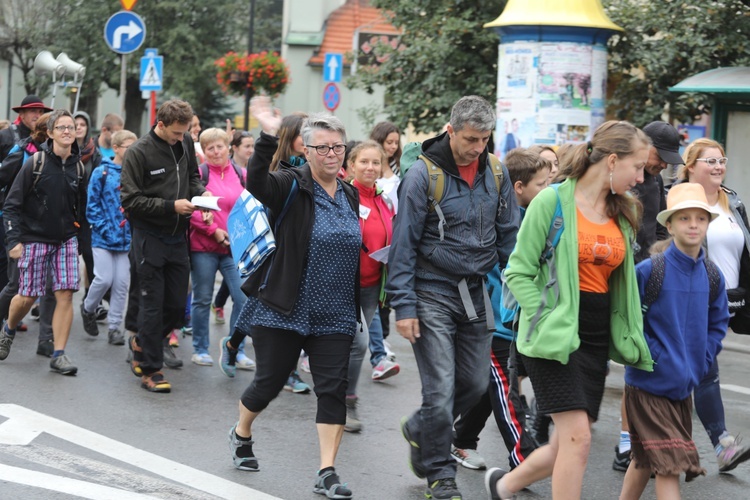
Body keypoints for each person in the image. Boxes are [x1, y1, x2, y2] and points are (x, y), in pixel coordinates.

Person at [485, 120, 654, 500]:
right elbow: (518, 272)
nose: (641, 177)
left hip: (594, 340)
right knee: (577, 439)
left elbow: (621, 281)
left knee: (567, 442)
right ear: (613, 161)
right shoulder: (551, 201)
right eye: (637, 166)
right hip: (553, 336)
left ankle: (505, 485)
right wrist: (544, 315)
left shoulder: (624, 210)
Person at [225, 99, 359, 499]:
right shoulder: (291, 183)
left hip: (334, 312)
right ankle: (241, 432)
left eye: (338, 147)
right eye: (323, 148)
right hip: (283, 306)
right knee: (267, 385)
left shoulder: (350, 195)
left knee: (332, 390)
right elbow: (257, 184)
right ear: (306, 149)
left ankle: (327, 471)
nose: (332, 154)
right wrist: (267, 133)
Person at [388, 95, 519, 500]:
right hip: (430, 290)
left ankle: (419, 428)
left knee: (476, 384)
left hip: (475, 293)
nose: (478, 147)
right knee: (440, 389)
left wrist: (525, 292)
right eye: (470, 139)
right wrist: (404, 305)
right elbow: (403, 246)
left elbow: (509, 237)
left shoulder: (496, 172)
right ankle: (440, 474)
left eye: (484, 139)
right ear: (450, 130)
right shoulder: (423, 176)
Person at [619, 183, 728, 499]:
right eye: (684, 218)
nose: (693, 225)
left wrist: (702, 360)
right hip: (647, 387)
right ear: (669, 224)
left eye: (701, 218)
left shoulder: (712, 275)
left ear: (708, 223)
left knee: (642, 462)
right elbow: (628, 321)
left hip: (683, 389)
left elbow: (718, 324)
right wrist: (652, 357)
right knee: (668, 467)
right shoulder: (649, 270)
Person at [451, 148, 547, 472]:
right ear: (518, 187)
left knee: (489, 389)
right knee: (507, 391)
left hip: (520, 323)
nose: (545, 192)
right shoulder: (497, 220)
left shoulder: (536, 218)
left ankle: (459, 440)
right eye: (540, 185)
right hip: (494, 324)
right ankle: (524, 459)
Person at [220, 108, 312, 391]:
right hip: (275, 252)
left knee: (285, 312)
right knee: (259, 308)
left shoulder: (319, 164)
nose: (310, 139)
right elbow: (258, 183)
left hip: (303, 254)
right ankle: (236, 344)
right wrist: (267, 134)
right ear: (292, 137)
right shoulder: (281, 168)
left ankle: (285, 370)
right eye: (304, 134)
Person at [120, 99, 207, 393]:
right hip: (149, 238)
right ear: (161, 124)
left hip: (178, 238)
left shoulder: (185, 144)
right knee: (152, 306)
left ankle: (142, 342)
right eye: (176, 133)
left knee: (175, 307)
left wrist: (202, 197)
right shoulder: (139, 152)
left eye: (185, 133)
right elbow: (130, 201)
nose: (181, 138)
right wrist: (171, 206)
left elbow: (193, 179)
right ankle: (151, 369)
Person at [675, 138, 750, 472]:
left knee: (696, 369)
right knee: (705, 370)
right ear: (691, 166)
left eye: (722, 160)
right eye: (710, 161)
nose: (719, 166)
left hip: (730, 299)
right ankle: (722, 445)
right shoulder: (678, 200)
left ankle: (651, 443)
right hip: (692, 296)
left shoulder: (732, 201)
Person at [0, 109, 87, 375]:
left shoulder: (79, 167)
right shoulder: (35, 163)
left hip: (65, 240)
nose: (67, 132)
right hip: (34, 237)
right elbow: (12, 205)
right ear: (49, 133)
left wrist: (81, 242)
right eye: (61, 128)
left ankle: (59, 354)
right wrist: (14, 240)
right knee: (27, 296)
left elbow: (79, 211)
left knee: (66, 293)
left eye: (70, 127)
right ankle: (8, 329)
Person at [612, 121, 677, 471]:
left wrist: (663, 257)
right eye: (659, 157)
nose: (661, 164)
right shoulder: (621, 176)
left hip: (648, 280)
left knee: (637, 360)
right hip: (616, 278)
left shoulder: (656, 181)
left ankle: (631, 444)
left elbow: (660, 225)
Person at [344, 140, 399, 433]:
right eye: (364, 162)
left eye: (375, 162)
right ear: (352, 165)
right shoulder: (343, 194)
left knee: (349, 345)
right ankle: (346, 401)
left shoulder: (384, 199)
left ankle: (337, 396)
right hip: (343, 284)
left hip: (372, 284)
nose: (370, 167)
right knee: (359, 343)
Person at [188, 128, 247, 367]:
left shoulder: (241, 174)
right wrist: (214, 232)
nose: (215, 151)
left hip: (234, 248)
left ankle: (236, 349)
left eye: (219, 146)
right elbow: (192, 210)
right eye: (209, 147)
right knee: (202, 299)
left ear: (228, 147)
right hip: (204, 247)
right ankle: (200, 348)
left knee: (242, 298)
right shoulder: (199, 175)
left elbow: (248, 207)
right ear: (204, 150)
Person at [0, 112, 56, 356]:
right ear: (47, 132)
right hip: (23, 228)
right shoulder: (22, 152)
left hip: (53, 231)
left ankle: (46, 340)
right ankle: (7, 327)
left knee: (52, 288)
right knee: (16, 286)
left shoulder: (64, 158)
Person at [79, 130, 136, 345]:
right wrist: (104, 228)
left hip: (125, 240)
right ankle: (88, 308)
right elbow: (91, 206)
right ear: (117, 148)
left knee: (121, 283)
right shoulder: (101, 172)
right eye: (128, 147)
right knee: (103, 278)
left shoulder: (135, 173)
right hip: (103, 237)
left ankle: (114, 328)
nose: (132, 152)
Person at [212, 130, 255, 327]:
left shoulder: (246, 171)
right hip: (214, 239)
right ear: (235, 148)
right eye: (247, 146)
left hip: (239, 238)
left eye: (252, 146)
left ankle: (235, 342)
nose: (251, 150)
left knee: (240, 287)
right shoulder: (228, 170)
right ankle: (218, 305)